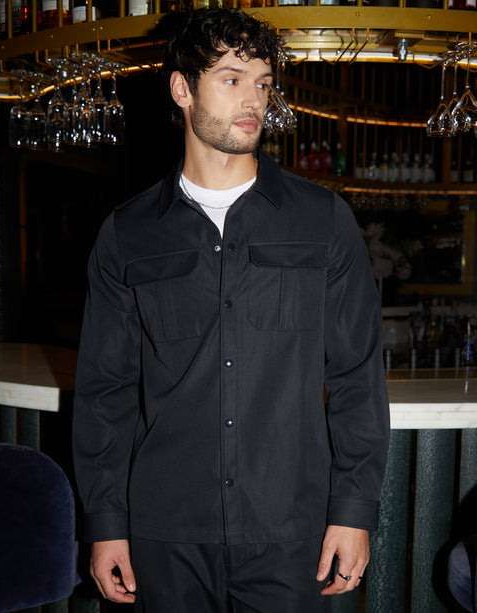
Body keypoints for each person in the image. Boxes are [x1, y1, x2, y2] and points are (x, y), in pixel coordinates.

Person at [72, 8, 390, 612]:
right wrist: (105, 522)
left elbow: (357, 379)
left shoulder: (323, 220)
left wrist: (353, 511)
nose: (253, 100)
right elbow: (104, 391)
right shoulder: (127, 233)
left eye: (263, 83)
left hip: (291, 532)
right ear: (182, 89)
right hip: (165, 531)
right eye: (232, 78)